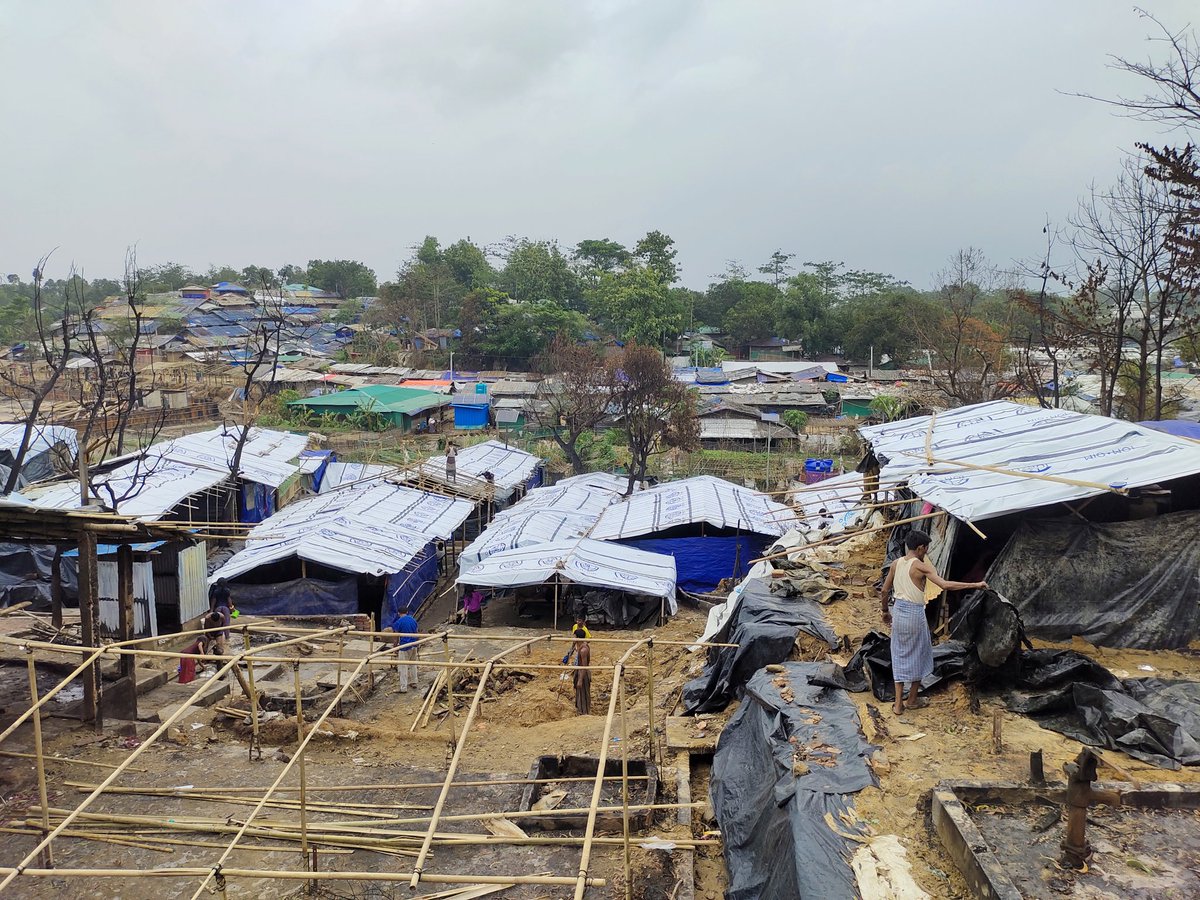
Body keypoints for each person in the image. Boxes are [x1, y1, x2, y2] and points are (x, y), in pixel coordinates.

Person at [880, 530, 986, 716]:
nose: (926, 553)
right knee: (918, 654)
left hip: (898, 613)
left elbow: (884, 591)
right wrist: (975, 585)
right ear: (920, 548)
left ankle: (898, 704)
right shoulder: (921, 567)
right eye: (926, 549)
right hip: (914, 614)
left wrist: (885, 612)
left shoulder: (896, 564)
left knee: (899, 654)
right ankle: (911, 699)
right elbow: (945, 585)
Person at [178, 612, 224, 684]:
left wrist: (202, 666)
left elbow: (198, 659)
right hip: (188, 655)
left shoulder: (221, 617)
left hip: (184, 654)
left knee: (185, 669)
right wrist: (203, 653)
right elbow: (200, 645)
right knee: (189, 670)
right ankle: (188, 682)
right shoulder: (203, 638)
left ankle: (183, 681)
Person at [385, 609, 421, 693]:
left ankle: (403, 687)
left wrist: (395, 647)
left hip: (405, 646)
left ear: (398, 613)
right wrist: (417, 643)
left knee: (402, 666)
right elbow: (417, 631)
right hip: (414, 644)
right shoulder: (413, 620)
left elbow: (396, 636)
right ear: (407, 612)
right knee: (413, 664)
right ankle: (414, 682)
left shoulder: (398, 622)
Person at [572, 628, 591, 715]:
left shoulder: (583, 650)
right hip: (578, 670)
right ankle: (579, 709)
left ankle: (584, 712)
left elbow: (584, 666)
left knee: (583, 692)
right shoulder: (579, 646)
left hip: (582, 673)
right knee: (579, 692)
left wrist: (580, 679)